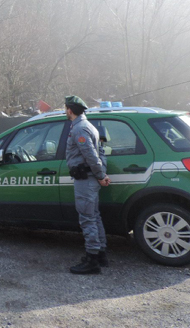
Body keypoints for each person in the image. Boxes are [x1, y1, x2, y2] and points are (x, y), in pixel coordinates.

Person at [64, 95, 111, 274]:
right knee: (94, 216)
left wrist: (100, 175)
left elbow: (92, 155)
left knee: (87, 218)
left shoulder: (80, 129)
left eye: (66, 108)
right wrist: (101, 174)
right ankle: (100, 254)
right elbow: (99, 153)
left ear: (69, 110)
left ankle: (92, 260)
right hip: (91, 177)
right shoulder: (88, 125)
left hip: (86, 179)